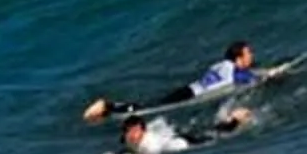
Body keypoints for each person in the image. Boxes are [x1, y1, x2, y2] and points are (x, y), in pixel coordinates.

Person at [81, 41, 278, 124]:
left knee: (152, 106)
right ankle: (109, 107)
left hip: (188, 90)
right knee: (147, 110)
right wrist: (271, 76)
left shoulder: (221, 65)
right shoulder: (235, 70)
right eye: (248, 52)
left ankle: (109, 109)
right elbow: (248, 78)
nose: (252, 55)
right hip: (192, 94)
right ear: (239, 57)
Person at [112, 108, 252, 154]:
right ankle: (227, 120)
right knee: (210, 130)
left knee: (216, 136)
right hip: (172, 136)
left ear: (142, 131)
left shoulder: (150, 146)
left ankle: (235, 119)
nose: (129, 134)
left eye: (132, 130)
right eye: (127, 130)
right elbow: (125, 146)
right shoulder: (127, 138)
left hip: (182, 143)